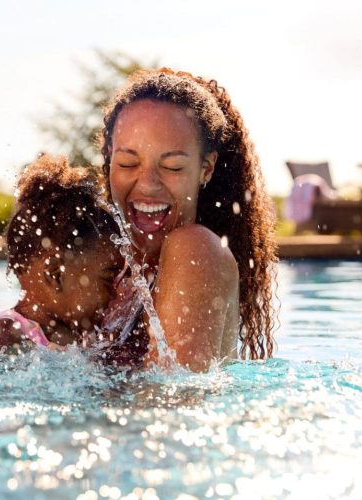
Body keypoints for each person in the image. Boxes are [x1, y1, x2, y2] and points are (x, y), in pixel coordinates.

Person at [98, 68, 278, 371]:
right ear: (109, 158)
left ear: (206, 168)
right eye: (128, 163)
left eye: (172, 167)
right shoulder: (113, 265)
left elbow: (173, 402)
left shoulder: (195, 249)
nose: (147, 184)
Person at [0, 155, 127, 379]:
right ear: (55, 274)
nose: (115, 292)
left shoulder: (86, 337)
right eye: (108, 279)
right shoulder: (7, 335)